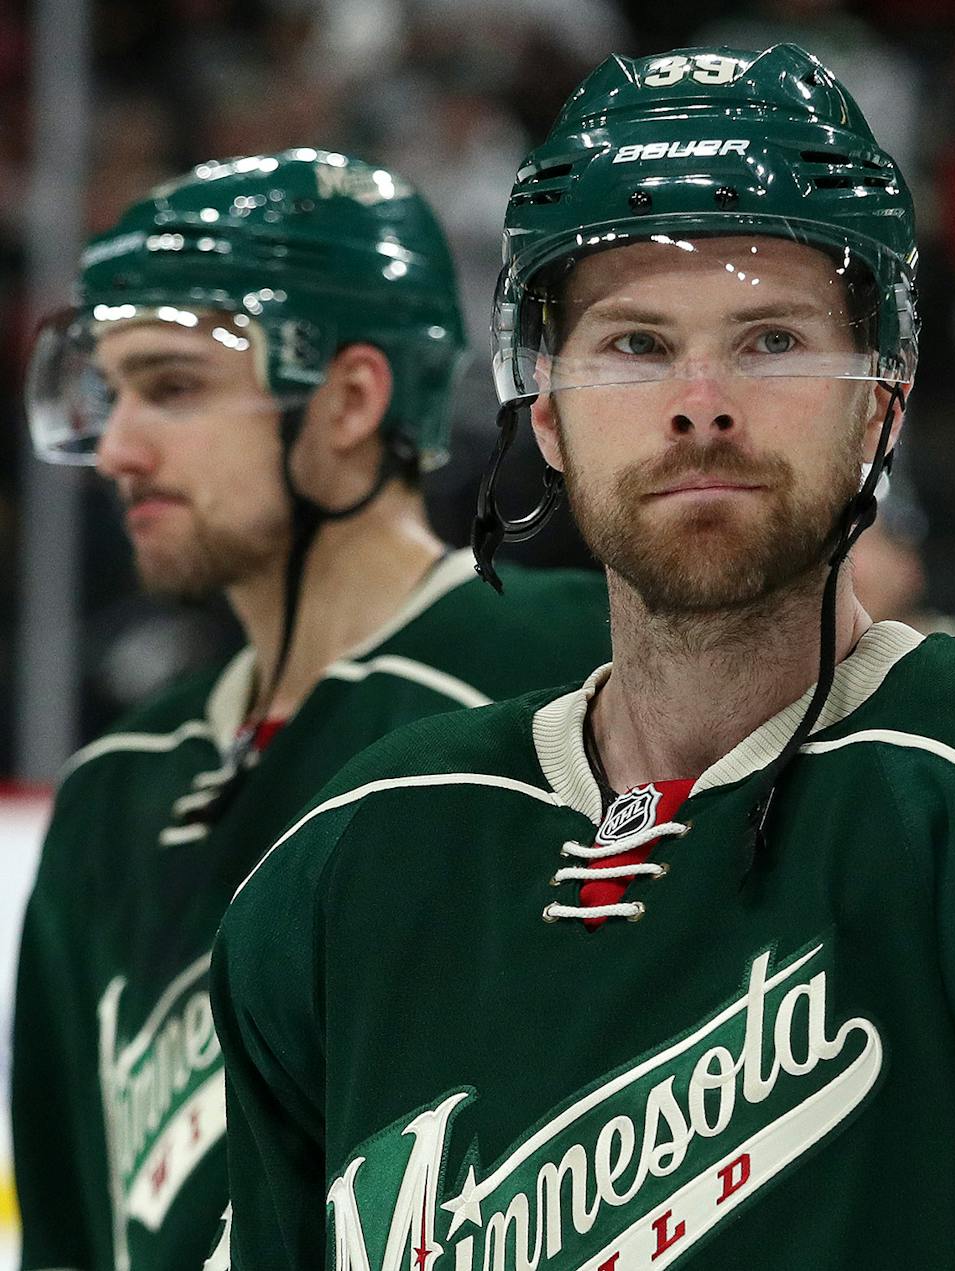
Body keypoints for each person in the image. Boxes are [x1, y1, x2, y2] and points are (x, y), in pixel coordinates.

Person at [211, 50, 955, 1269]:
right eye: (631, 344)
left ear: (881, 400)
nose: (700, 402)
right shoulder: (350, 865)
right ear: (546, 409)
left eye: (772, 339)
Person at [11, 149, 611, 1271]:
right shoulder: (118, 783)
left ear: (348, 398)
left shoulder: (577, 674)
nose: (118, 450)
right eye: (109, 390)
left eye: (173, 387)